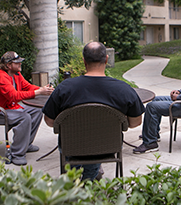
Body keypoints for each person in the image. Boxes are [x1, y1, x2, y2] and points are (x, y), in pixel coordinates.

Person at [42, 42, 145, 181]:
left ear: (84, 61)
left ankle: (73, 180)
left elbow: (49, 121)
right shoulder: (124, 89)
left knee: (76, 147)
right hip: (108, 147)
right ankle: (89, 178)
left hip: (72, 147)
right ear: (107, 59)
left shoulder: (64, 88)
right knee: (96, 145)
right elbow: (135, 122)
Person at [0, 51, 54, 166]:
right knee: (24, 117)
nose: (20, 64)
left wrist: (43, 89)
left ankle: (26, 144)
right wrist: (39, 92)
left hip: (9, 107)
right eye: (17, 62)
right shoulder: (0, 78)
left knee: (36, 110)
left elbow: (27, 87)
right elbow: (14, 96)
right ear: (8, 65)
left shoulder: (16, 74)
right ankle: (17, 154)